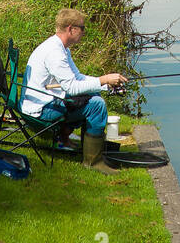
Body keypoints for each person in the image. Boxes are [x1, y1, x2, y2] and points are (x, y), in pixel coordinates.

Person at [20, 9, 128, 175]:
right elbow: (71, 87)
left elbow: (76, 78)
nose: (84, 32)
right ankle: (93, 162)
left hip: (43, 100)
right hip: (41, 110)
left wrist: (106, 85)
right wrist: (103, 79)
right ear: (71, 29)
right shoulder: (55, 53)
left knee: (93, 96)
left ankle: (67, 140)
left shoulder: (61, 48)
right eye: (82, 28)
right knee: (96, 105)